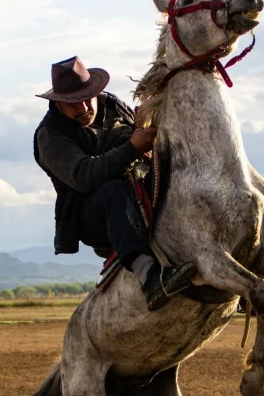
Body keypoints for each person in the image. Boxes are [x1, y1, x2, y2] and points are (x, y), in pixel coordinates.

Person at [33, 56, 196, 310]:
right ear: (60, 103)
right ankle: (150, 278)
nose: (85, 107)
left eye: (88, 97)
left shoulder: (111, 105)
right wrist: (132, 147)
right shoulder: (50, 136)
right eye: (74, 103)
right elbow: (83, 176)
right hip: (94, 214)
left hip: (139, 187)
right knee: (113, 191)